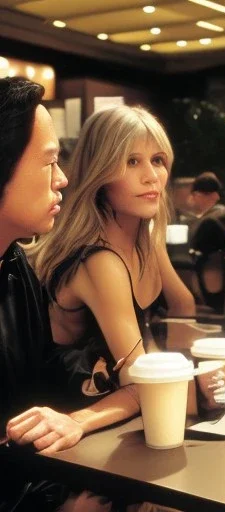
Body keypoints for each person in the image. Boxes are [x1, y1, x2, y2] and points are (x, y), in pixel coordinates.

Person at [0, 77, 131, 511]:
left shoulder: (16, 266)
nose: (63, 180)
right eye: (49, 163)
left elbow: (39, 377)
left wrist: (101, 378)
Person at [25, 105, 197, 411]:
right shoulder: (99, 260)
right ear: (100, 172)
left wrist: (192, 369)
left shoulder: (148, 236)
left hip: (122, 411)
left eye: (158, 160)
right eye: (132, 161)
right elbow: (139, 378)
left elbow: (182, 306)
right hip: (64, 418)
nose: (151, 176)